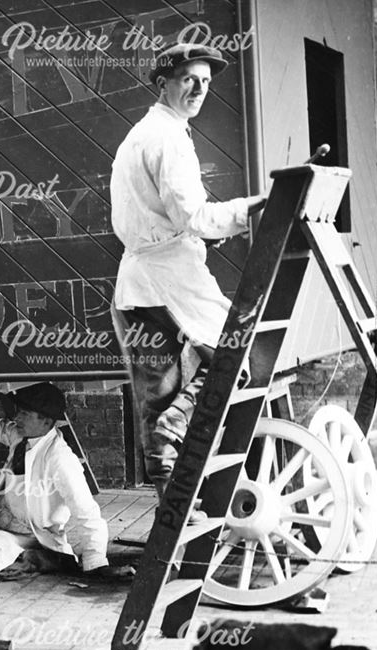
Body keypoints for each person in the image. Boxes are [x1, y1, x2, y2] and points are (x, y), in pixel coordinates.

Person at [110, 44, 267, 501]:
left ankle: (171, 505)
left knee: (156, 395)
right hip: (167, 274)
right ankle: (178, 422)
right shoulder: (168, 138)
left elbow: (161, 218)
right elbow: (192, 218)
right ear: (163, 84)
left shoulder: (140, 134)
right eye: (188, 79)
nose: (199, 89)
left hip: (139, 282)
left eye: (205, 81)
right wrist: (249, 210)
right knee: (240, 351)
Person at [0, 382, 125, 577]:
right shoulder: (19, 435)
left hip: (27, 536)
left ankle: (43, 558)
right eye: (19, 411)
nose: (16, 417)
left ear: (46, 422)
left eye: (25, 414)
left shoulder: (60, 459)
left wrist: (96, 562)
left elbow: (87, 512)